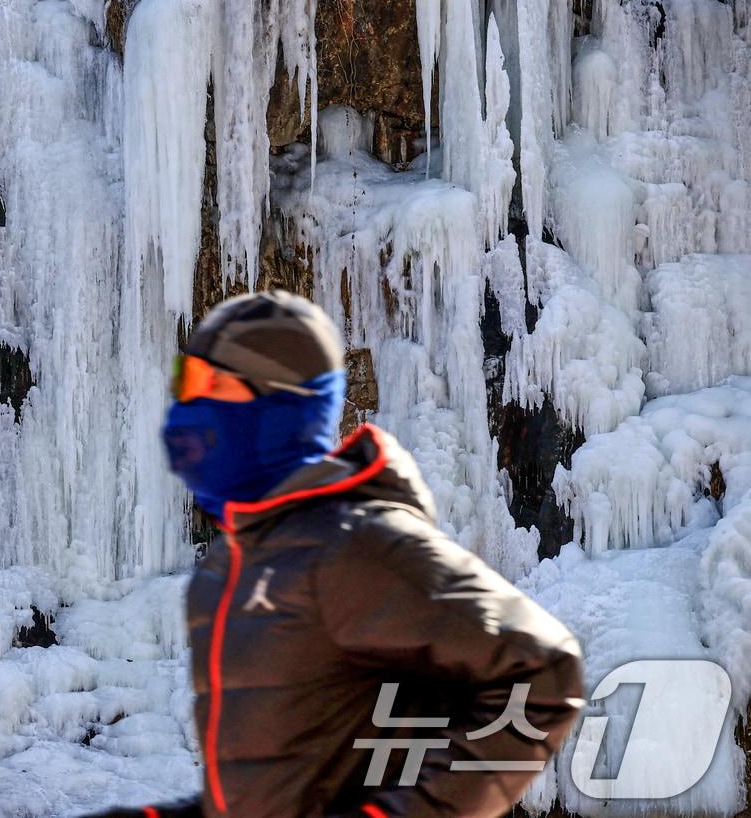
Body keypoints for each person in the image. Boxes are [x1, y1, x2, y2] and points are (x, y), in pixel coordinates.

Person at [85, 291, 584, 818]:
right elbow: (275, 788)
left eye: (211, 385)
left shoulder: (358, 544)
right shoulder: (225, 572)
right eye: (184, 384)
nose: (186, 410)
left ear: (276, 409)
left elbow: (545, 670)